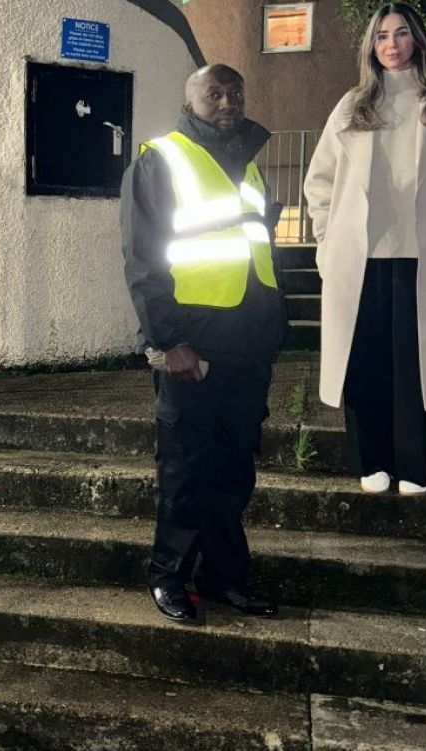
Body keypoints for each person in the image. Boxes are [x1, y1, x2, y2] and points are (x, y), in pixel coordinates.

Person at [304, 3, 426, 497]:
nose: (391, 44)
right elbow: (320, 182)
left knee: (418, 368)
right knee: (364, 362)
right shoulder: (353, 105)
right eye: (382, 35)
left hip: (423, 255)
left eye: (402, 34)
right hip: (360, 257)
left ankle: (415, 465)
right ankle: (371, 460)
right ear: (371, 45)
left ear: (418, 41)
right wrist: (328, 241)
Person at [120, 64, 287, 624]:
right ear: (191, 101)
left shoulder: (250, 163)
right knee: (185, 469)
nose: (226, 101)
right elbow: (144, 259)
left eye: (234, 91)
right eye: (213, 93)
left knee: (234, 470)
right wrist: (168, 341)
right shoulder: (161, 157)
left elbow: (256, 247)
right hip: (193, 344)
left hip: (247, 345)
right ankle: (168, 575)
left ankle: (222, 577)